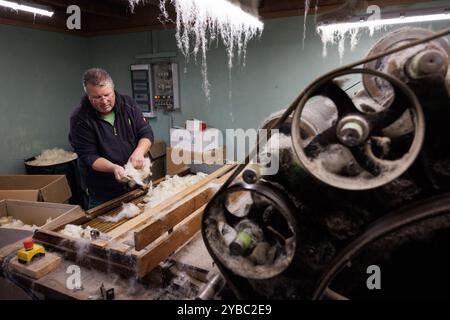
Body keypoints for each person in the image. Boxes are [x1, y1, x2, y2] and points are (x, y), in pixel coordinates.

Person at [69, 68, 154, 209]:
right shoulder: (80, 119)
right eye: (96, 98)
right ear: (88, 95)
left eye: (107, 95)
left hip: (135, 182)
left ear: (113, 89)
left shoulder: (128, 104)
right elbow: (88, 156)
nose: (104, 101)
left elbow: (145, 132)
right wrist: (114, 168)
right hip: (102, 191)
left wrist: (139, 151)